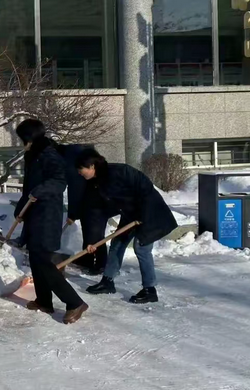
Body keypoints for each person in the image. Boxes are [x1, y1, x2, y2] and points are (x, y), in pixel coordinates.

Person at [75, 147, 177, 304]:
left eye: (80, 169)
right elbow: (97, 211)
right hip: (130, 214)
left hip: (150, 212)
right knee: (118, 243)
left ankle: (150, 290)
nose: (79, 172)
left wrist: (143, 215)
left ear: (92, 166)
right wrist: (93, 241)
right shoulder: (95, 183)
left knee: (142, 248)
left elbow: (145, 189)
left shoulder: (118, 172)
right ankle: (107, 281)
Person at [15, 119, 88, 324]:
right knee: (37, 259)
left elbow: (58, 182)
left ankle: (74, 302)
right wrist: (20, 210)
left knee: (44, 262)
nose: (20, 142)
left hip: (47, 215)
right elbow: (28, 187)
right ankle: (44, 301)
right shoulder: (34, 155)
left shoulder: (49, 154)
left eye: (22, 137)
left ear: (30, 137)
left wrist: (38, 192)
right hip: (35, 213)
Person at [61, 143, 109, 275]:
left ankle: (101, 264)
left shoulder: (72, 160)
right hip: (89, 199)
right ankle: (88, 259)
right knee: (89, 230)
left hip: (97, 201)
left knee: (95, 233)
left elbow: (75, 188)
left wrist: (72, 212)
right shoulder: (76, 153)